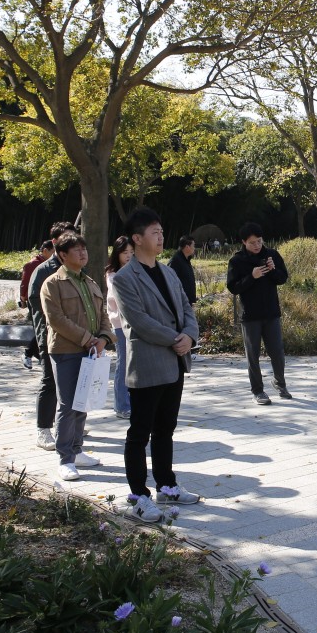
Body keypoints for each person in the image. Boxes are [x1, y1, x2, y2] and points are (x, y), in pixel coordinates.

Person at [110, 208, 202, 525]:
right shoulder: (124, 278)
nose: (160, 236)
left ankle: (167, 486)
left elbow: (186, 310)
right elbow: (138, 321)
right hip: (149, 364)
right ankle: (139, 496)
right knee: (139, 433)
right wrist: (176, 337)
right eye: (154, 232)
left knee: (165, 429)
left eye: (161, 231)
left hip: (175, 360)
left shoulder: (169, 272)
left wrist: (190, 336)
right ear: (136, 239)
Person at [40, 232, 114, 483]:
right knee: (68, 402)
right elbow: (56, 319)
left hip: (91, 350)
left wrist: (103, 338)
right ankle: (65, 458)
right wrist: (87, 339)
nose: (83, 253)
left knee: (84, 401)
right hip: (66, 350)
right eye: (77, 250)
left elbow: (102, 313)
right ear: (62, 255)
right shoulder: (52, 283)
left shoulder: (90, 281)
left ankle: (77, 448)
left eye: (84, 249)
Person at [225, 222, 290, 405]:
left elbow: (283, 278)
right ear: (244, 242)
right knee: (252, 354)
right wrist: (251, 277)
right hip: (250, 316)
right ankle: (258, 391)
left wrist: (272, 270)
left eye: (260, 241)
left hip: (271, 313)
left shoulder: (272, 255)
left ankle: (280, 382)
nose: (257, 245)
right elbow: (233, 288)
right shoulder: (236, 261)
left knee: (277, 352)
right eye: (253, 242)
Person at [27, 221, 77, 450]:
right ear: (56, 243)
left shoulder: (75, 269)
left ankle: (65, 426)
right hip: (50, 336)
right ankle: (43, 429)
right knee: (50, 381)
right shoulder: (44, 271)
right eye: (67, 238)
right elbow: (40, 310)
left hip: (74, 338)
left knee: (70, 382)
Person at [105, 236, 135, 419]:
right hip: (120, 324)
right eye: (125, 253)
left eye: (132, 252)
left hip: (134, 323)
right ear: (117, 254)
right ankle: (121, 406)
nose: (129, 256)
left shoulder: (136, 269)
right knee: (123, 364)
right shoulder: (113, 274)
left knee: (134, 365)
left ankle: (130, 402)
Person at [18, 239, 54, 369]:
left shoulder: (49, 264)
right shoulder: (33, 264)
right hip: (36, 301)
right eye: (53, 251)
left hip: (47, 300)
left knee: (44, 328)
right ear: (45, 251)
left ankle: (38, 356)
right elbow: (25, 284)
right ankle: (30, 353)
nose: (55, 254)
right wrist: (22, 299)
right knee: (42, 328)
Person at [168, 235, 198, 303]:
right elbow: (170, 282)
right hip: (180, 301)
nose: (194, 248)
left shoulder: (186, 260)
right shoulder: (176, 261)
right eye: (193, 245)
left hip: (187, 300)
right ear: (187, 247)